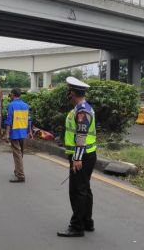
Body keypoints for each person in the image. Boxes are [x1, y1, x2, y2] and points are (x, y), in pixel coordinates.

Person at [58, 77, 97, 238]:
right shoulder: (81, 108)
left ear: (73, 93)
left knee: (77, 192)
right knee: (85, 190)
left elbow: (81, 136)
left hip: (82, 156)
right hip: (87, 154)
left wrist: (77, 159)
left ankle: (76, 227)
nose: (68, 95)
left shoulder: (82, 111)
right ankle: (87, 222)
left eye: (69, 92)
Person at [4, 88, 32, 183]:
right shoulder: (26, 105)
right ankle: (17, 170)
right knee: (20, 154)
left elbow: (9, 120)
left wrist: (7, 133)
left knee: (17, 154)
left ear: (13, 94)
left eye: (11, 94)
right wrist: (30, 132)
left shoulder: (11, 105)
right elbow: (29, 120)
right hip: (23, 133)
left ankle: (20, 175)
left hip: (15, 133)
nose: (10, 95)